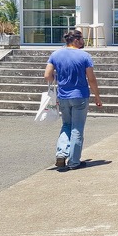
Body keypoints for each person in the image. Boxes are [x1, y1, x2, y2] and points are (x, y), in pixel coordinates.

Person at [44, 29, 102, 170]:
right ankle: (74, 161)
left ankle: (61, 153)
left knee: (66, 125)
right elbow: (91, 79)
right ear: (76, 40)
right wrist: (97, 96)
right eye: (81, 38)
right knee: (77, 127)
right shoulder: (85, 56)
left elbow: (47, 75)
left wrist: (59, 81)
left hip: (63, 96)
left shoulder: (56, 54)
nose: (83, 41)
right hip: (80, 95)